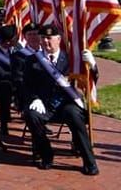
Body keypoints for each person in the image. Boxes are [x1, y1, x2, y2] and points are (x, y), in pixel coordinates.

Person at [20, 24, 99, 176]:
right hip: (44, 105)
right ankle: (46, 155)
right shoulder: (32, 60)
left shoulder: (70, 58)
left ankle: (89, 161)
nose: (45, 42)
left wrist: (92, 65)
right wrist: (34, 99)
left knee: (74, 115)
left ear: (58, 39)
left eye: (49, 38)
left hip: (66, 103)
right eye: (42, 38)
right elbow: (27, 86)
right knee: (31, 115)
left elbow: (89, 79)